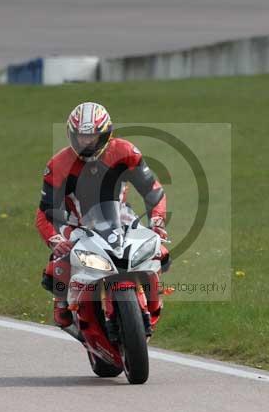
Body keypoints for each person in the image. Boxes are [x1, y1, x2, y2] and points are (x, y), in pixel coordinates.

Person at [36, 101, 169, 332]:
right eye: (80, 137)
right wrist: (55, 240)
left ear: (106, 133)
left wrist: (157, 221)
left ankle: (153, 300)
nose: (86, 142)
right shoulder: (58, 164)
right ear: (70, 134)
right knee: (57, 265)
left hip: (120, 215)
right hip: (76, 222)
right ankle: (61, 302)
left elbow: (154, 192)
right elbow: (44, 212)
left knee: (160, 251)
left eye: (92, 137)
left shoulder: (126, 152)